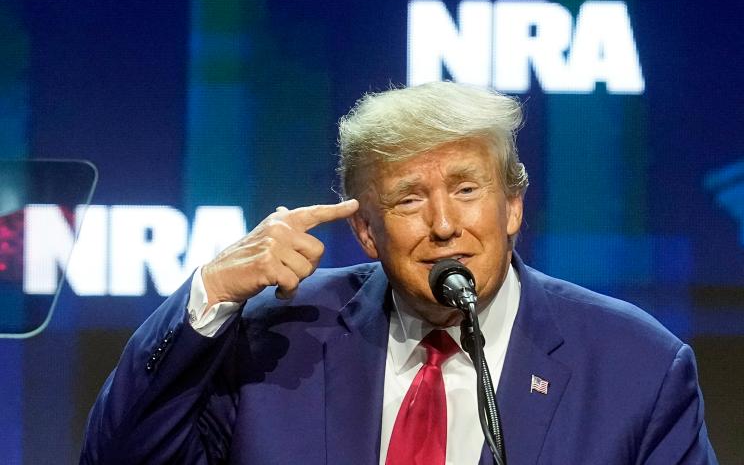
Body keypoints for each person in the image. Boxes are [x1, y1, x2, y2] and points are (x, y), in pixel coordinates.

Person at [80, 81, 717, 464]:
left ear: (514, 204)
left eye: (467, 189)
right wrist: (211, 296)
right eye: (409, 199)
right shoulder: (277, 338)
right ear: (365, 231)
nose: (444, 225)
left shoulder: (637, 366)